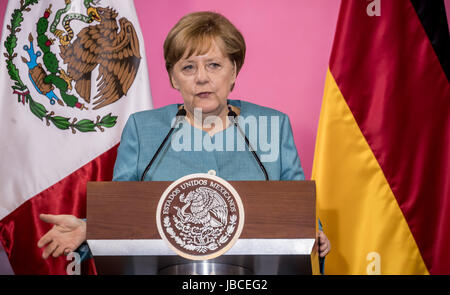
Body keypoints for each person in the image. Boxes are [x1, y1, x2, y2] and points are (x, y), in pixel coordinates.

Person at [38, 11, 331, 270]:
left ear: (234, 71)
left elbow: (298, 207)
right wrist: (90, 229)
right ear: (173, 78)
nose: (201, 78)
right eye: (188, 67)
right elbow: (125, 211)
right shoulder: (144, 130)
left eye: (214, 65)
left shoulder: (273, 126)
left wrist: (313, 232)